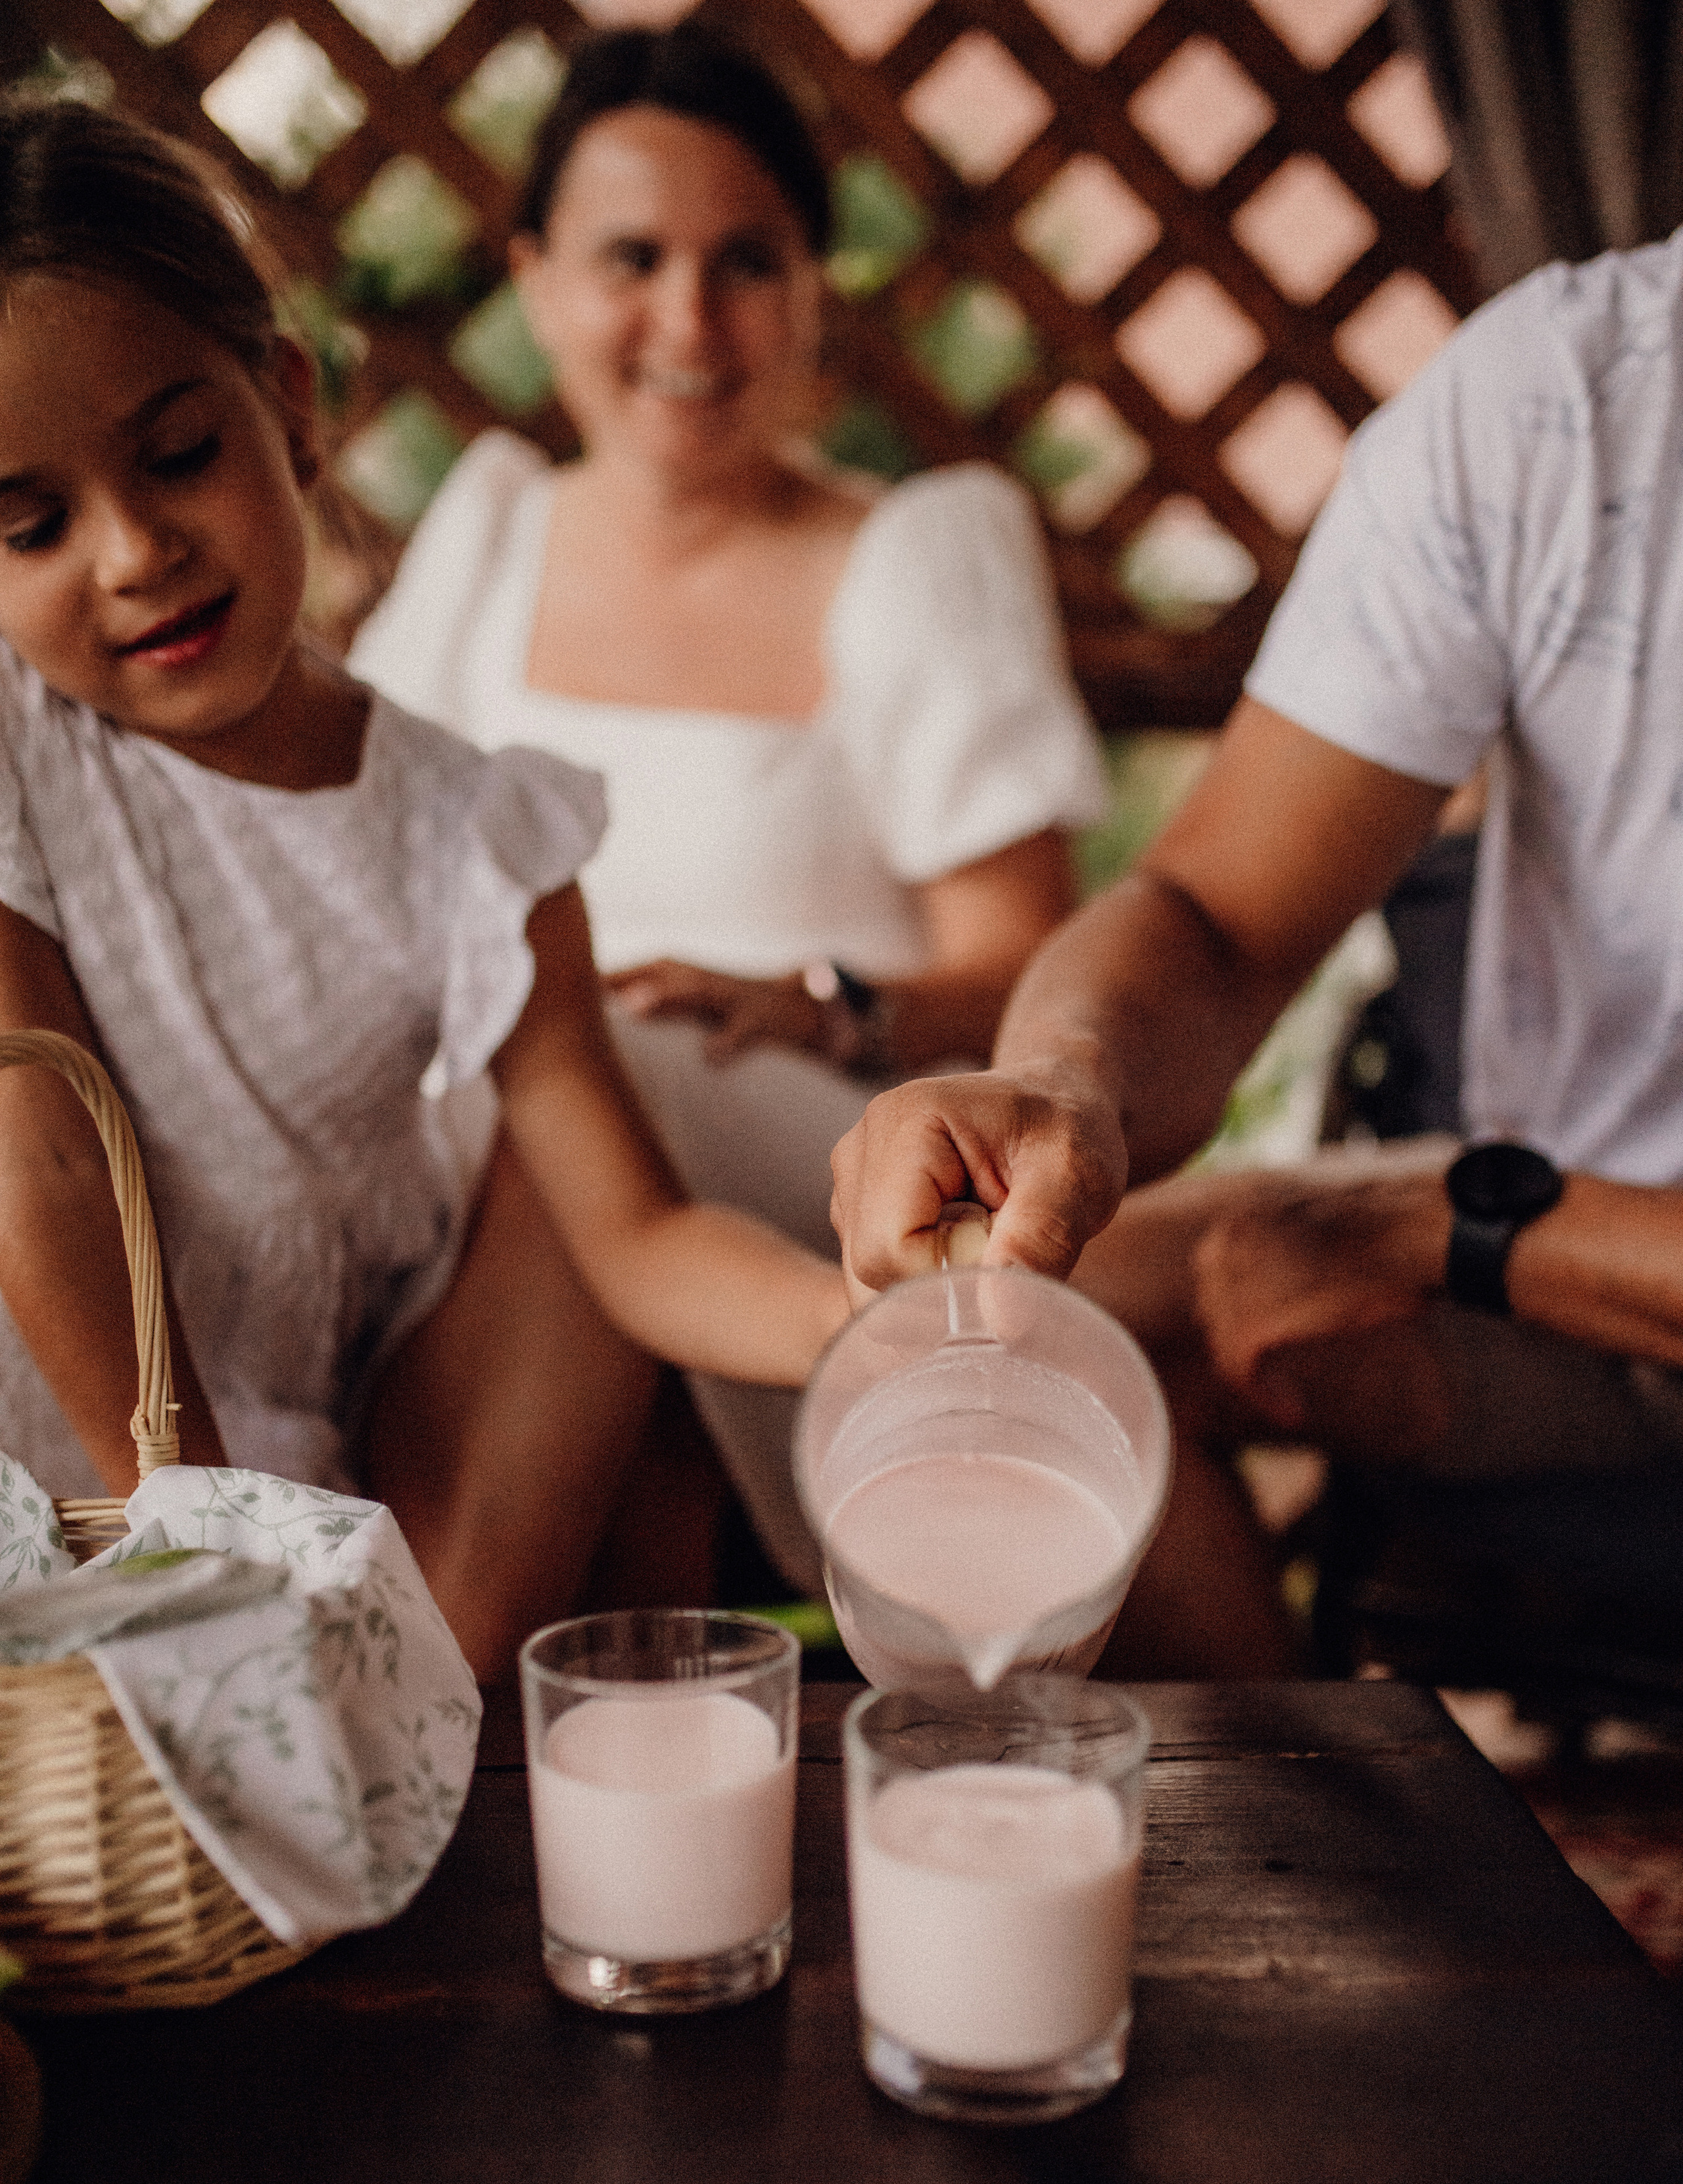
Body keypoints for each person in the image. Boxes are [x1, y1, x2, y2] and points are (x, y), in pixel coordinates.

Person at [0, 97, 848, 1685]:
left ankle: (412, 1717)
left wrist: (854, 1331)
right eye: (29, 525)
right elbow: (40, 1160)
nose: (130, 553)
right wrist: (196, 1541)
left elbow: (635, 1239)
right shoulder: (11, 744)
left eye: (180, 456)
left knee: (582, 1156)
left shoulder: (472, 832)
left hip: (316, 1477)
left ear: (291, 407)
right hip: (83, 1494)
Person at [829, 224, 1683, 1674]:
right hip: (1559, 1250)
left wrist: (1436, 1224)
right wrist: (1061, 1085)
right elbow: (1215, 920)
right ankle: (1253, 1833)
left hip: (1547, 1249)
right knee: (1007, 1341)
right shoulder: (1572, 392)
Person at [349, 23, 1106, 1586]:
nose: (688, 319)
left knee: (621, 1071)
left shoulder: (912, 555)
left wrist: (821, 1003)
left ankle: (445, 1680)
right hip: (494, 1167)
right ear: (536, 276)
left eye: (745, 261)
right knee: (559, 1110)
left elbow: (1026, 972)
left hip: (820, 1165)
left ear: (812, 289)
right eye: (630, 257)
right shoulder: (489, 533)